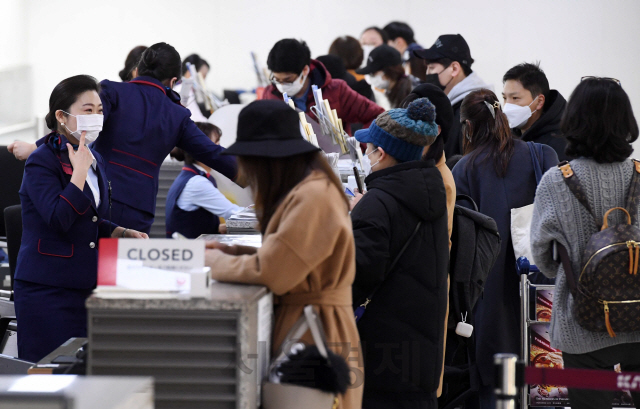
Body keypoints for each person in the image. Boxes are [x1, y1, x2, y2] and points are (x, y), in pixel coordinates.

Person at [204, 100, 362, 409]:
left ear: (267, 160)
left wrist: (214, 261)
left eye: (247, 159)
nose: (244, 170)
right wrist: (233, 249)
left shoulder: (314, 196)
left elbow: (274, 272)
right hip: (308, 326)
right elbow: (289, 251)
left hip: (316, 336)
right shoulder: (307, 189)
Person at [8, 43, 237, 234]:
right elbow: (214, 154)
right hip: (140, 207)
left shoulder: (113, 92)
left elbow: (76, 125)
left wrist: (35, 146)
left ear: (137, 70)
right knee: (126, 276)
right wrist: (257, 177)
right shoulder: (177, 115)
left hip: (99, 198)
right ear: (174, 81)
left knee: (90, 269)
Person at [13, 75, 148, 363]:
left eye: (100, 111)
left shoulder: (90, 157)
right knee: (49, 377)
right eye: (88, 110)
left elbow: (88, 219)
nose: (96, 117)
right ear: (62, 116)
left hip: (86, 284)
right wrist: (78, 174)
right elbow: (58, 218)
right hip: (48, 289)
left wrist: (120, 232)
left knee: (82, 377)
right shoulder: (43, 161)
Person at [531, 77, 640, 409]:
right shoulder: (639, 173)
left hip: (584, 324)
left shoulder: (556, 180)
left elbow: (543, 258)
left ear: (574, 120)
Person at [451, 89, 558, 409]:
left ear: (467, 128)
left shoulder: (464, 170)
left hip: (489, 300)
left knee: (497, 393)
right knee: (547, 387)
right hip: (543, 297)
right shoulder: (543, 155)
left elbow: (459, 244)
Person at [351, 98, 449, 409]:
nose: (366, 155)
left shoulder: (378, 203)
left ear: (381, 153)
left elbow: (355, 277)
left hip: (383, 360)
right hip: (420, 356)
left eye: (368, 149)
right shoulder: (429, 191)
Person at [262, 39, 384, 136]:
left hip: (333, 164)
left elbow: (378, 117)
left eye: (288, 80)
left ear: (305, 70)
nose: (282, 86)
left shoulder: (336, 90)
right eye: (277, 80)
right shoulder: (270, 94)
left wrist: (361, 147)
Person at [414, 34, 491, 158]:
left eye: (432, 68)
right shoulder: (451, 105)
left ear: (454, 69)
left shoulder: (475, 110)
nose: (427, 73)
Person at [166, 122, 242, 238]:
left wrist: (216, 228)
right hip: (194, 252)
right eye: (216, 145)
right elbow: (233, 213)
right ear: (202, 149)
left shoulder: (188, 177)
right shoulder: (197, 183)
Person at [502, 62, 569, 161]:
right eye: (504, 98)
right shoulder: (506, 136)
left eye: (515, 98)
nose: (507, 105)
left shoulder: (561, 143)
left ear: (539, 101)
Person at [175, 53, 212, 122]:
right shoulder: (183, 90)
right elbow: (196, 118)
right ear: (191, 72)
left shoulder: (184, 89)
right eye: (203, 76)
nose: (203, 81)